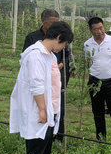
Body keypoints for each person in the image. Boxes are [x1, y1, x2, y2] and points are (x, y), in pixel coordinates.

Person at [10, 21, 74, 154]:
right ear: (58, 38)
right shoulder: (35, 55)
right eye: (63, 44)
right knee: (35, 150)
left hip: (50, 110)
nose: (62, 48)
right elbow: (36, 85)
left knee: (46, 148)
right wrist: (43, 110)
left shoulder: (50, 57)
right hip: (38, 111)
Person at [23, 9, 76, 142]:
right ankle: (39, 134)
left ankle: (56, 135)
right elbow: (29, 65)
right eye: (51, 23)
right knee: (41, 108)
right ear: (43, 21)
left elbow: (66, 58)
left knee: (57, 106)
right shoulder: (33, 40)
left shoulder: (59, 41)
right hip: (41, 82)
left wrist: (60, 67)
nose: (54, 27)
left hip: (56, 78)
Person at [84, 17, 111, 145]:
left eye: (101, 27)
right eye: (96, 29)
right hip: (95, 82)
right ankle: (101, 140)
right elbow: (88, 62)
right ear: (91, 30)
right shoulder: (87, 45)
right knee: (97, 113)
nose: (100, 31)